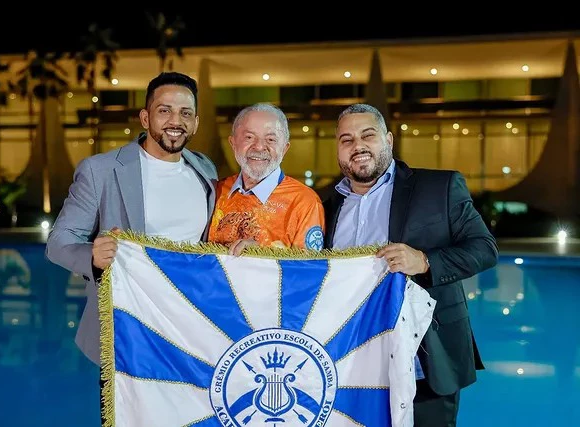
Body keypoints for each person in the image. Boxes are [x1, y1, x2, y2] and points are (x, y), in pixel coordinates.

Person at [322, 103, 498, 427]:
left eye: (368, 135)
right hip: (350, 364)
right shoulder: (325, 206)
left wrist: (425, 261)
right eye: (346, 139)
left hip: (425, 359)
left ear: (388, 140)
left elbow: (484, 248)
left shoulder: (438, 188)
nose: (357, 146)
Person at [45, 71, 218, 367]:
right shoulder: (100, 171)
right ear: (145, 118)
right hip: (127, 330)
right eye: (164, 111)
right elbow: (58, 242)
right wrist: (93, 258)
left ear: (196, 122)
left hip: (189, 332)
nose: (176, 121)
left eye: (185, 113)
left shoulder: (205, 170)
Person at [208, 103, 325, 255]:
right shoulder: (216, 191)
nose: (259, 147)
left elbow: (308, 267)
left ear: (285, 149)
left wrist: (261, 254)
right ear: (233, 143)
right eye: (249, 137)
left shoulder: (304, 202)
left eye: (270, 139)